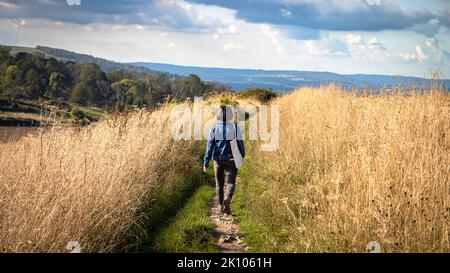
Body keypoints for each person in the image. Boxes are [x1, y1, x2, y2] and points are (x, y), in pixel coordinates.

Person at [203, 105, 245, 215]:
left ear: (218, 115)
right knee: (231, 182)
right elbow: (240, 144)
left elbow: (209, 147)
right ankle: (228, 198)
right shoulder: (235, 127)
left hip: (218, 160)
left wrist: (206, 162)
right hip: (232, 160)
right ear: (230, 115)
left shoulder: (214, 128)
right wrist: (242, 156)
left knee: (219, 184)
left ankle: (221, 206)